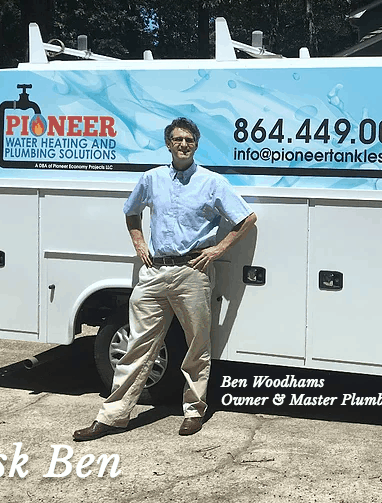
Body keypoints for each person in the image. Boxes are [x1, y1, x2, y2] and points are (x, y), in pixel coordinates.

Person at [73, 117, 257, 440]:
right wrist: (139, 242)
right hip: (155, 272)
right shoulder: (151, 179)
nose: (183, 144)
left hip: (193, 272)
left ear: (196, 144)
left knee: (197, 345)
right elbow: (131, 211)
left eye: (188, 139)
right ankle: (113, 415)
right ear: (168, 144)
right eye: (177, 139)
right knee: (137, 345)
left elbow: (247, 218)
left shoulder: (212, 183)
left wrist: (216, 250)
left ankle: (193, 410)